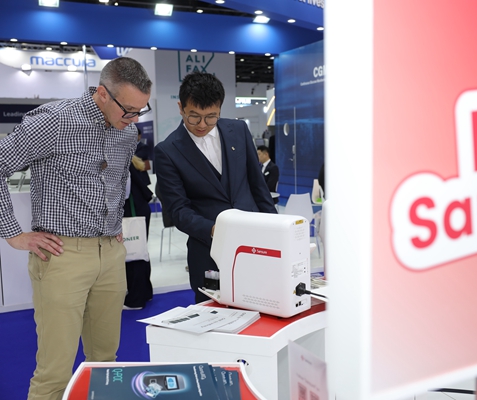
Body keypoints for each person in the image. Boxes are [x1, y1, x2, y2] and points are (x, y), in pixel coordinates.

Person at [0, 57, 152, 400]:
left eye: (140, 111)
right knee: (54, 373)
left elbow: (117, 179)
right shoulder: (54, 121)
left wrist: (114, 222)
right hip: (62, 255)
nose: (133, 120)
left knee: (105, 363)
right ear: (103, 93)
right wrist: (13, 234)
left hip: (110, 255)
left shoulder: (126, 132)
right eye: (128, 110)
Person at [154, 72, 276, 304]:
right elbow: (178, 210)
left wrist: (275, 230)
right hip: (208, 252)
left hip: (255, 245)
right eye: (194, 117)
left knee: (262, 307)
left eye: (211, 117)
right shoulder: (167, 151)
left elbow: (258, 186)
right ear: (181, 108)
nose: (202, 125)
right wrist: (214, 230)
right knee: (214, 315)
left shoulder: (238, 130)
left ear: (220, 108)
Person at [123, 128, 154, 310]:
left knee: (132, 253)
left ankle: (136, 298)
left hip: (132, 212)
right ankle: (144, 292)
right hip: (139, 210)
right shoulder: (131, 158)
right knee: (140, 251)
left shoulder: (124, 159)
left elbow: (125, 192)